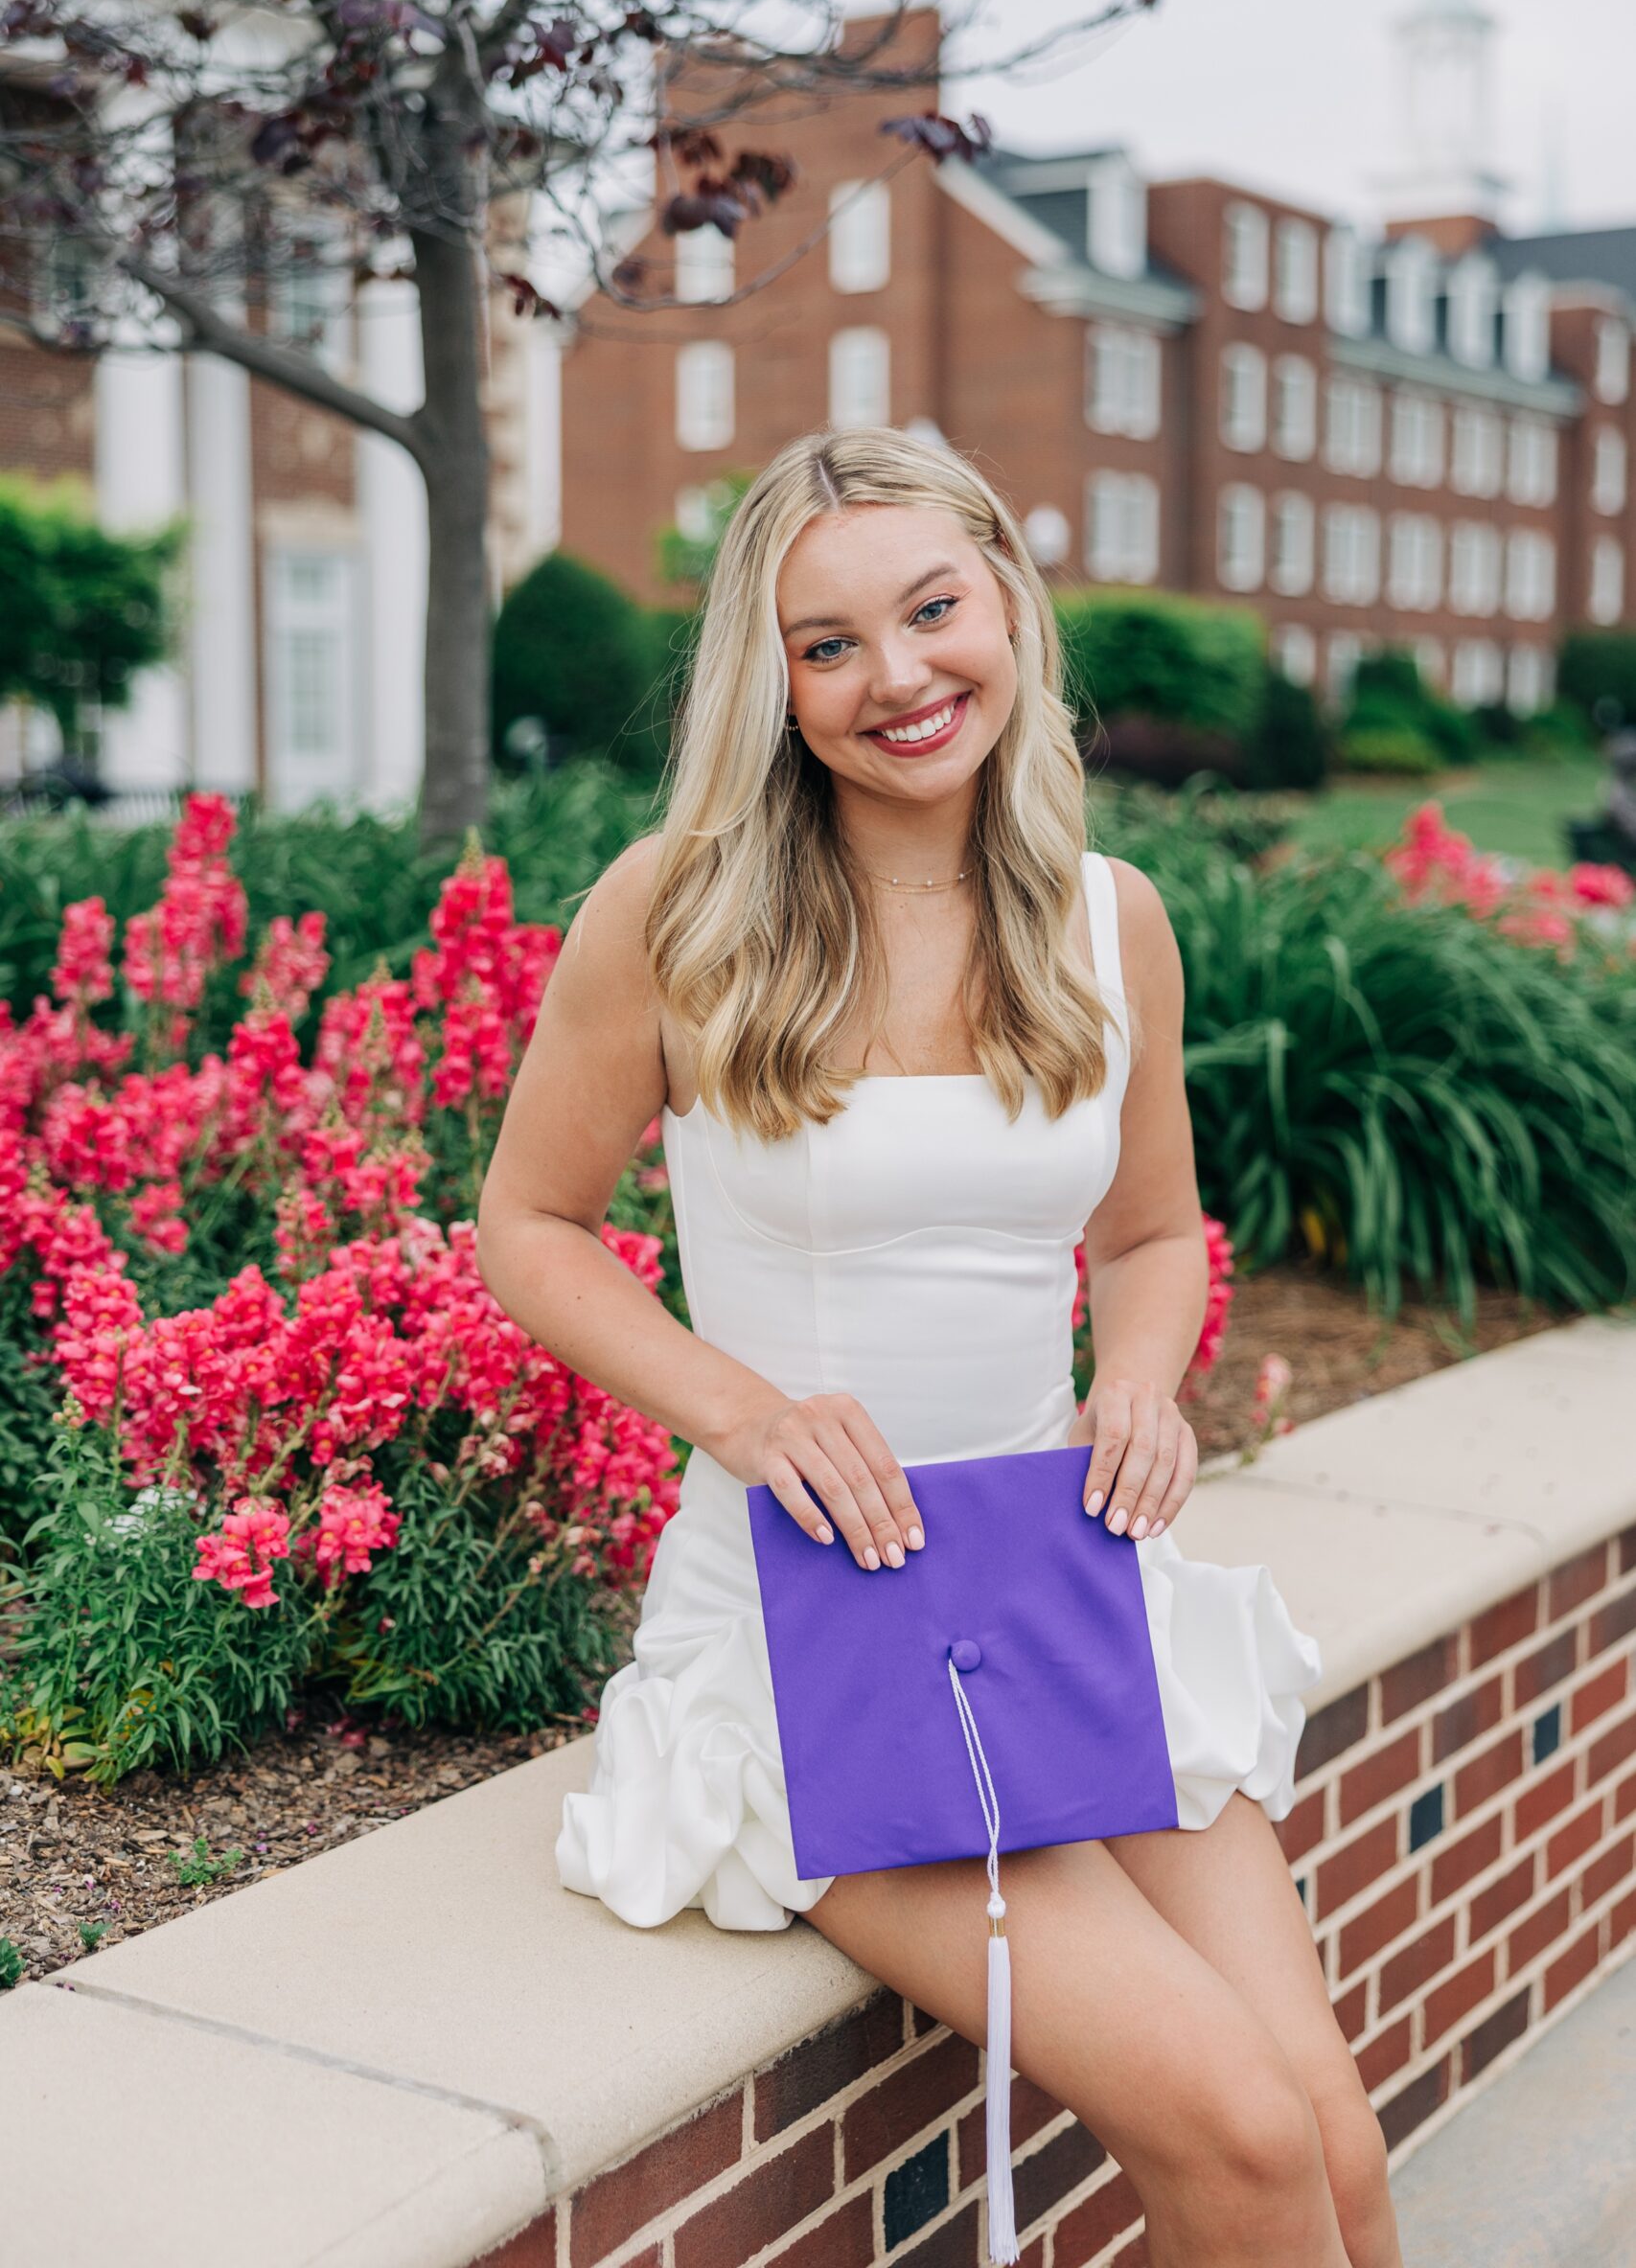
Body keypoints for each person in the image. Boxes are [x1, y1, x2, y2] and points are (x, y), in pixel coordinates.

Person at [476, 428, 1402, 2268]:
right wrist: (740, 1411)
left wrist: (1141, 1379)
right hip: (825, 1619)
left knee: (1331, 2142)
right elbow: (529, 1225)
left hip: (1065, 1584)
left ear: (1005, 603)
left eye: (929, 610)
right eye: (828, 645)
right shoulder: (677, 909)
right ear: (777, 682)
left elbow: (1149, 1235)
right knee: (1230, 2133)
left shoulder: (1106, 917)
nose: (897, 677)